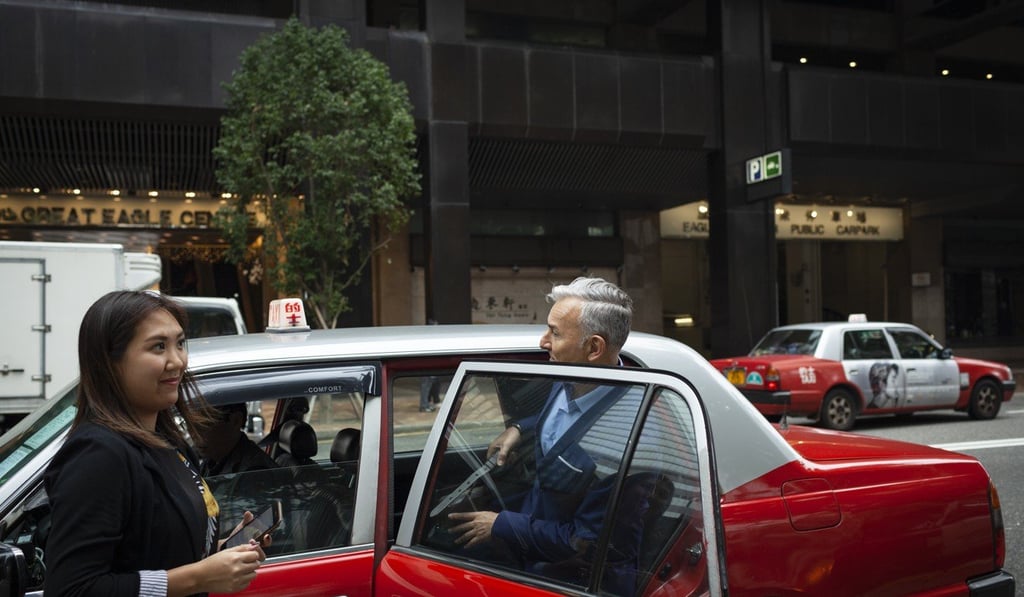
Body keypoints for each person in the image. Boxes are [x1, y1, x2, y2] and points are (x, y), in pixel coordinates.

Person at [43, 290, 265, 596]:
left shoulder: (169, 442)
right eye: (158, 347)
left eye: (180, 343)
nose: (177, 361)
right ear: (111, 362)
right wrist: (198, 578)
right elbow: (73, 589)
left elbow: (158, 552)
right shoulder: (98, 454)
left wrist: (224, 554)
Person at [448, 276, 644, 593]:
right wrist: (520, 427)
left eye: (554, 333)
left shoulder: (625, 437)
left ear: (594, 348)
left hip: (571, 579)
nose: (543, 342)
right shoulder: (568, 375)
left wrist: (500, 524)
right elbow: (560, 416)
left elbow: (587, 544)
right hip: (533, 547)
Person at [197, 403, 278, 477]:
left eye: (203, 425)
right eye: (189, 425)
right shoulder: (213, 459)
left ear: (236, 421)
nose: (194, 434)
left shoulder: (254, 473)